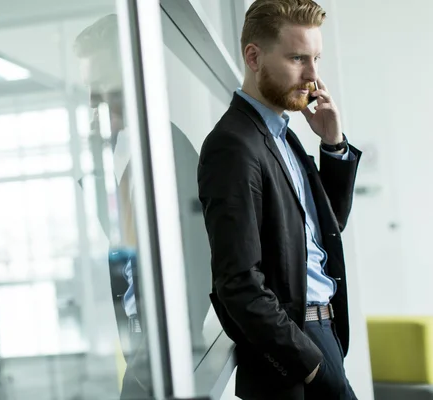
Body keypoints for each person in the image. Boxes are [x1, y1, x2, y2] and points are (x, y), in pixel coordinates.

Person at [197, 1, 361, 399]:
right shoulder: (233, 145)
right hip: (294, 349)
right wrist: (310, 364)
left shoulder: (282, 133)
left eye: (316, 58)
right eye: (297, 58)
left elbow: (327, 229)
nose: (313, 76)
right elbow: (238, 282)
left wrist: (332, 144)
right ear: (254, 57)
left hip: (322, 333)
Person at [74, 14, 208, 399]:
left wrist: (158, 349)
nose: (92, 100)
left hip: (165, 351)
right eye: (88, 88)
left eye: (100, 85)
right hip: (140, 342)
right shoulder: (114, 153)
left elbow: (196, 270)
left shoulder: (168, 153)